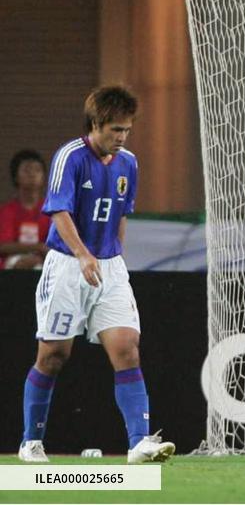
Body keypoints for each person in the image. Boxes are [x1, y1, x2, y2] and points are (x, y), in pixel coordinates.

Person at [19, 85, 175, 464]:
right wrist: (84, 255)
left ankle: (139, 443)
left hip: (108, 267)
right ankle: (31, 442)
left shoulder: (129, 163)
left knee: (127, 349)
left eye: (126, 130)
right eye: (114, 130)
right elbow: (59, 212)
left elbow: (121, 215)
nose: (121, 138)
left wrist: (113, 260)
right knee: (54, 355)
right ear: (95, 124)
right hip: (68, 264)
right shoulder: (70, 157)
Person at [0, 150, 51, 269]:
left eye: (37, 170)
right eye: (27, 170)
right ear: (16, 176)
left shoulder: (51, 211)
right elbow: (3, 246)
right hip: (12, 261)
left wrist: (41, 255)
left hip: (43, 261)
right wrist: (37, 247)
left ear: (43, 177)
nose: (32, 174)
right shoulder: (7, 211)